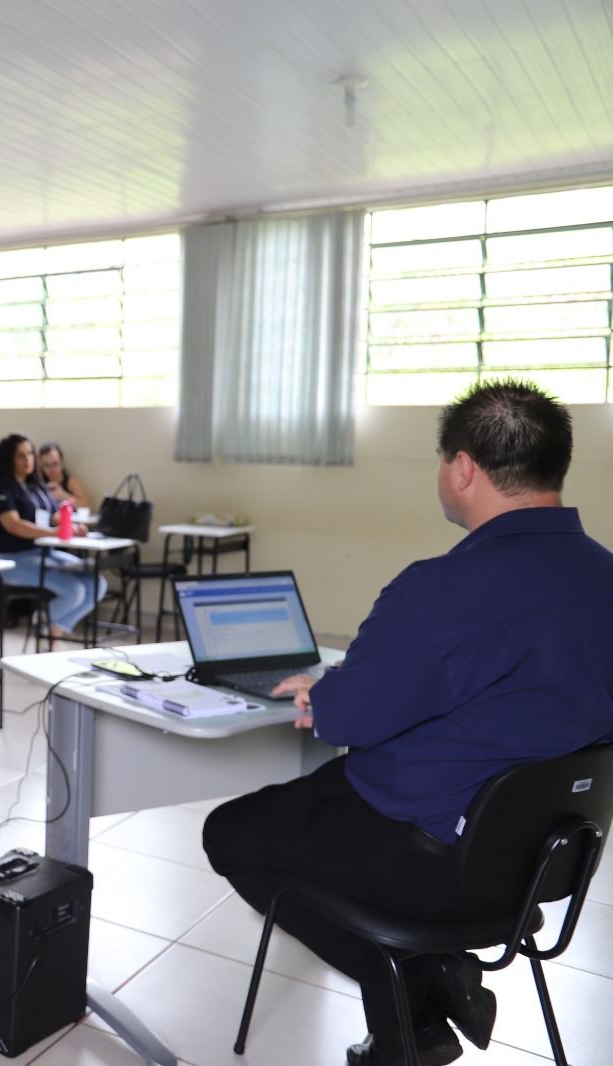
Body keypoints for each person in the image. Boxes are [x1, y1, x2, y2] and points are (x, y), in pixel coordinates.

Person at [202, 381, 613, 1066]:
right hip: (548, 863)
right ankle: (433, 979)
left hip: (430, 861)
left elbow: (351, 718)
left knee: (232, 833)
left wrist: (323, 692)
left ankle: (413, 1002)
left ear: (462, 469)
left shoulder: (438, 590)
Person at [0, 433, 104, 641]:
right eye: (21, 455)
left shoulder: (37, 485)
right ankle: (51, 638)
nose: (28, 459)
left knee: (97, 583)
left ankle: (51, 631)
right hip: (13, 559)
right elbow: (14, 525)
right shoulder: (1, 489)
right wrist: (51, 533)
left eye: (30, 453)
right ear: (8, 459)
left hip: (44, 552)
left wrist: (71, 525)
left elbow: (53, 515)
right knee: (74, 590)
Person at [37, 442, 92, 511]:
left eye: (55, 464)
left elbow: (88, 508)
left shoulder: (70, 481)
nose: (51, 469)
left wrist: (62, 495)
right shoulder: (39, 482)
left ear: (61, 462)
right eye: (47, 465)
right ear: (41, 466)